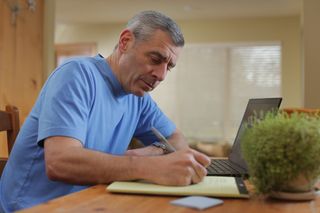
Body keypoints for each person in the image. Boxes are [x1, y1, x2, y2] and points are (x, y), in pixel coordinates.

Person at [0, 11, 210, 212]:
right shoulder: (77, 75)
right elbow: (60, 163)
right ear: (125, 41)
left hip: (90, 202)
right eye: (155, 59)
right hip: (33, 207)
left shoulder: (138, 98)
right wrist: (149, 165)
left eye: (169, 66)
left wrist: (158, 152)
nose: (162, 75)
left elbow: (175, 139)